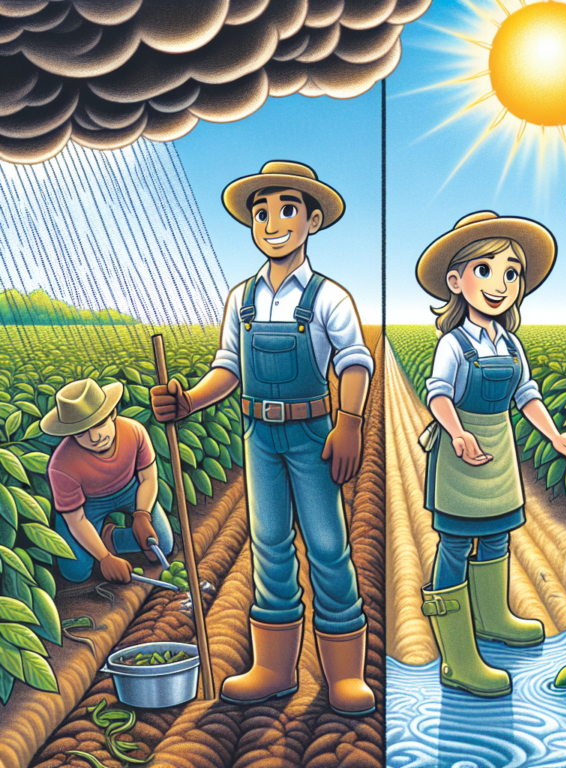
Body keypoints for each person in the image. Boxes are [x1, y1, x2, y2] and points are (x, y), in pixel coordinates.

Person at [150, 161, 375, 716]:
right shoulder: (241, 299)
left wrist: (350, 422)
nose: (272, 222)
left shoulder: (328, 298)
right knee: (270, 543)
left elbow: (354, 362)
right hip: (259, 434)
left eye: (286, 209)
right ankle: (274, 668)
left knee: (327, 545)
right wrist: (189, 400)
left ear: (313, 220)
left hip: (312, 432)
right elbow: (228, 367)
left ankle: (344, 675)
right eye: (261, 212)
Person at [415, 211, 566, 697]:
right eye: (485, 270)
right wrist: (456, 432)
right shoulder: (454, 344)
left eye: (511, 273)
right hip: (463, 449)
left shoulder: (511, 343)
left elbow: (526, 395)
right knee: (455, 543)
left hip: (498, 443)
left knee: (497, 534)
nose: (500, 284)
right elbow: (438, 394)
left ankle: (493, 617)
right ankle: (457, 658)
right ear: (456, 281)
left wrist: (556, 436)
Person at [42, 378, 173, 584]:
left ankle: (110, 538)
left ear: (112, 413)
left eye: (99, 423)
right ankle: (101, 543)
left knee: (162, 545)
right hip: (87, 505)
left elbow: (148, 477)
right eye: (82, 431)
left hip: (131, 489)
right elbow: (75, 519)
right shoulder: (61, 465)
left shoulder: (135, 431)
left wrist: (142, 515)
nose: (95, 437)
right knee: (75, 572)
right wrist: (104, 558)